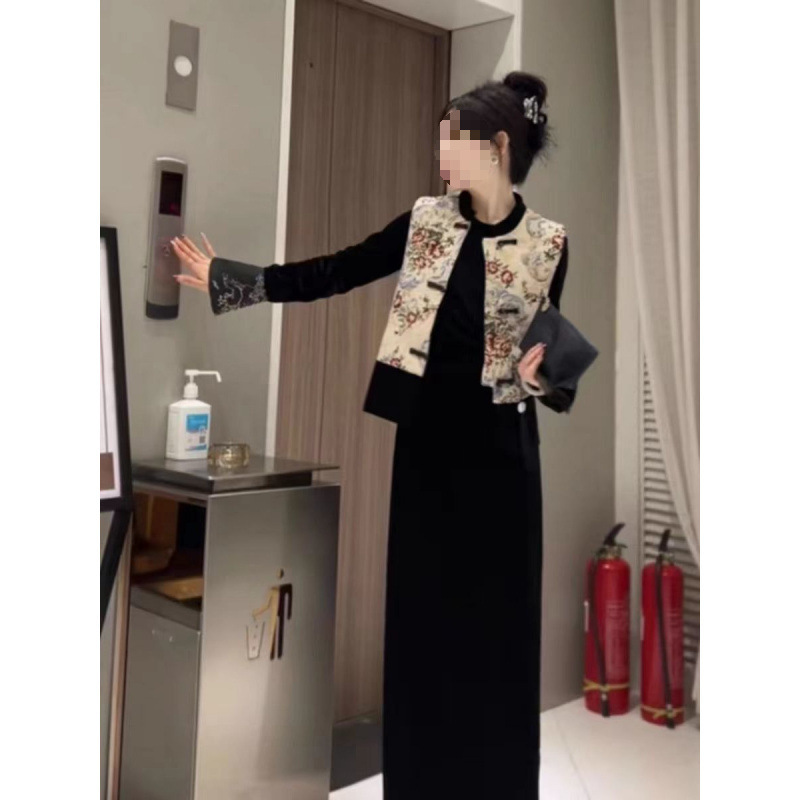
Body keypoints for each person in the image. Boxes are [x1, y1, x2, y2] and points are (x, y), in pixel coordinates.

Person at [172, 70, 573, 800]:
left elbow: (548, 359)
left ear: (497, 146)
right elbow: (339, 270)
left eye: (451, 142)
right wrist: (236, 280)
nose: (439, 155)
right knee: (423, 628)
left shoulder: (548, 242)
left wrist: (544, 376)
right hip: (427, 454)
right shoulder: (426, 222)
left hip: (505, 464)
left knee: (500, 636)